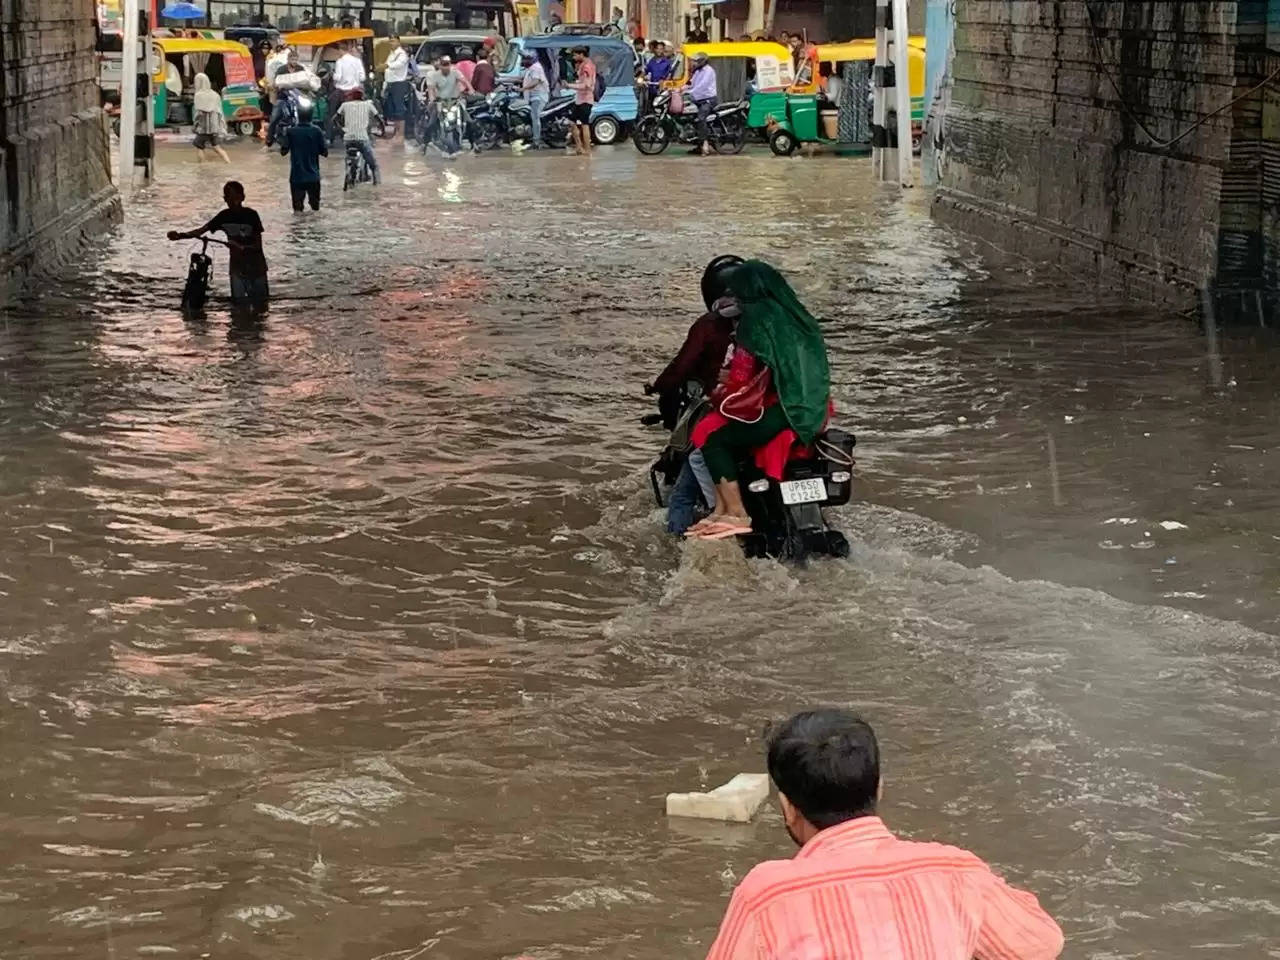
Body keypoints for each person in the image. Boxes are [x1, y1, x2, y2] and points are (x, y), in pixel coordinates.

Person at [704, 709, 1065, 960]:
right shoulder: (956, 870)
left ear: (788, 808)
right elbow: (1040, 946)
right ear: (879, 788)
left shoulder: (767, 893)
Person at [686, 261, 830, 540]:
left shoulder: (756, 322)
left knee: (711, 437)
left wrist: (720, 391)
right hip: (813, 407)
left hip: (784, 409)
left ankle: (736, 513)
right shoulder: (798, 317)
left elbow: (739, 378)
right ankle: (721, 509)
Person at [647, 255, 744, 535]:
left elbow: (681, 367)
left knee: (683, 491)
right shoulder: (769, 325)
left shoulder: (711, 325)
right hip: (777, 416)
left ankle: (678, 544)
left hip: (730, 412)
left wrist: (658, 386)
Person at [167, 181, 269, 309]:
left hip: (257, 268)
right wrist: (181, 235)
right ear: (225, 199)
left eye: (235, 197)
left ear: (242, 197)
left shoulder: (251, 215)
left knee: (262, 307)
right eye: (228, 197)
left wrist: (241, 247)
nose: (232, 201)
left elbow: (258, 245)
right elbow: (201, 231)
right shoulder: (224, 216)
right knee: (239, 307)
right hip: (237, 269)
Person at [280, 101, 328, 211]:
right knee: (315, 210)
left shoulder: (291, 131)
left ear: (298, 116)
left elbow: (283, 152)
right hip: (313, 177)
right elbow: (325, 153)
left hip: (297, 178)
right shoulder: (317, 131)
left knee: (297, 212)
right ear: (311, 115)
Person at [426, 55, 475, 155]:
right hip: (441, 102)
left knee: (470, 122)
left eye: (447, 64)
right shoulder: (434, 75)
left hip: (455, 101)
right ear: (440, 66)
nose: (445, 67)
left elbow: (465, 81)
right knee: (431, 123)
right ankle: (425, 143)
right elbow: (431, 89)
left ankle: (473, 144)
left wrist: (471, 90)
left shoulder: (455, 72)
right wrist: (431, 99)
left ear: (450, 64)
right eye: (443, 65)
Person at [337, 88, 381, 185]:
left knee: (350, 156)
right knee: (373, 164)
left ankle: (351, 175)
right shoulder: (368, 105)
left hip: (348, 139)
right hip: (362, 138)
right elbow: (379, 120)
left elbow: (335, 119)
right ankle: (376, 182)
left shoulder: (345, 105)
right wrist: (383, 131)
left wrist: (341, 129)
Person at [191, 73, 231, 164]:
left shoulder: (198, 95)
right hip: (214, 127)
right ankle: (228, 162)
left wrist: (195, 126)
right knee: (216, 147)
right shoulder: (215, 95)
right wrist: (221, 126)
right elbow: (219, 112)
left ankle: (201, 166)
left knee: (199, 146)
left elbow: (198, 114)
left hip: (203, 128)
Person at [329, 41, 366, 139]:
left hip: (342, 91)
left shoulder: (340, 61)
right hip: (355, 91)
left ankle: (329, 136)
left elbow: (338, 77)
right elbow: (362, 78)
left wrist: (333, 74)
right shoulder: (357, 61)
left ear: (341, 50)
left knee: (330, 111)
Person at [683, 51, 718, 156]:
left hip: (708, 100)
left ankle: (705, 144)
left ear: (703, 61)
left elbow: (702, 86)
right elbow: (690, 83)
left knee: (701, 118)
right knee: (690, 117)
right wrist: (680, 89)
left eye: (696, 61)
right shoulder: (697, 72)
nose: (694, 63)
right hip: (697, 99)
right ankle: (698, 144)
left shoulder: (709, 71)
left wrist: (690, 92)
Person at [566, 46, 596, 156]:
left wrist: (570, 86)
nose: (573, 57)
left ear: (581, 54)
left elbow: (586, 85)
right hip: (580, 99)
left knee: (584, 124)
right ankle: (579, 147)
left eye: (575, 55)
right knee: (572, 122)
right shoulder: (585, 65)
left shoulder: (587, 67)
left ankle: (586, 150)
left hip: (585, 100)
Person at [382, 34, 411, 142]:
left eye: (393, 41)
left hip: (399, 84)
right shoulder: (391, 54)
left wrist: (387, 65)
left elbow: (397, 65)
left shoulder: (402, 54)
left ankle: (401, 134)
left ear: (398, 42)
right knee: (392, 109)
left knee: (399, 108)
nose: (392, 43)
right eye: (390, 41)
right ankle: (396, 132)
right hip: (390, 83)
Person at [519, 49, 549, 148]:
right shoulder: (530, 68)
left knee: (534, 116)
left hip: (538, 97)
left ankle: (536, 141)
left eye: (525, 59)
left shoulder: (536, 68)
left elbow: (535, 81)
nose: (523, 61)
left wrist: (522, 89)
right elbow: (520, 79)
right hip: (532, 97)